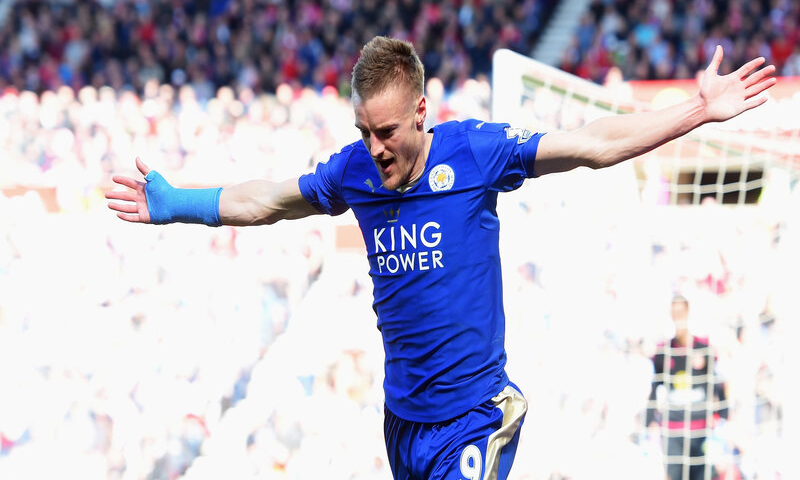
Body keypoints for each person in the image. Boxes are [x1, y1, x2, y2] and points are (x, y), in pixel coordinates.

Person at [105, 36, 775, 479]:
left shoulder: (475, 153)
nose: (375, 148)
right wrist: (177, 203)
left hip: (473, 416)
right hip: (404, 422)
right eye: (364, 132)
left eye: (387, 132)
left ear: (421, 111)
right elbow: (269, 200)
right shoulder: (354, 172)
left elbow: (592, 144)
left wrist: (696, 111)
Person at [646, 295, 730, 480]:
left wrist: (723, 416)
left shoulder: (703, 349)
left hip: (700, 428)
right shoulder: (664, 352)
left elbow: (718, 383)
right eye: (674, 314)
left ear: (688, 314)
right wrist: (649, 420)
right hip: (673, 429)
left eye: (681, 313)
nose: (678, 318)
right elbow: (655, 386)